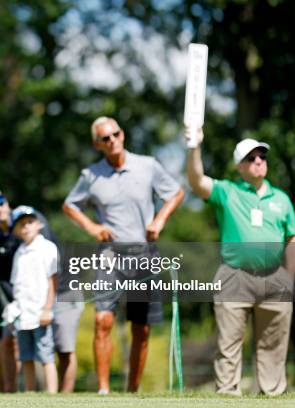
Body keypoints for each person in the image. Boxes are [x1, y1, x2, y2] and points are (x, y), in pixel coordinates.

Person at [63, 116, 184, 394]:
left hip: (144, 253)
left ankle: (132, 391)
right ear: (97, 144)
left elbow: (176, 193)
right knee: (102, 319)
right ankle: (104, 391)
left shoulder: (148, 165)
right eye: (105, 138)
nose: (112, 140)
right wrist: (93, 227)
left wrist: (160, 220)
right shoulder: (90, 176)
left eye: (115, 134)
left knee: (141, 328)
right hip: (110, 255)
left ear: (123, 134)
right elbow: (70, 206)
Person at [186, 129, 295, 395]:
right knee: (229, 344)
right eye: (251, 158)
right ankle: (228, 395)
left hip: (275, 278)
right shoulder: (227, 191)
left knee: (274, 346)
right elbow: (196, 181)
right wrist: (194, 147)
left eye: (262, 156)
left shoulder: (281, 199)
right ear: (240, 166)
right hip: (234, 275)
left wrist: (289, 279)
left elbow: (293, 237)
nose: (259, 161)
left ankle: (272, 395)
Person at [0, 187, 57, 393]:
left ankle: (53, 394)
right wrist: (14, 307)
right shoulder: (19, 251)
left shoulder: (47, 248)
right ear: (17, 230)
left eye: (30, 222)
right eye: (22, 224)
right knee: (25, 354)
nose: (26, 227)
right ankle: (28, 393)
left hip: (40, 309)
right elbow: (15, 282)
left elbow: (52, 281)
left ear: (38, 224)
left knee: (46, 354)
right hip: (23, 309)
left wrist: (47, 308)